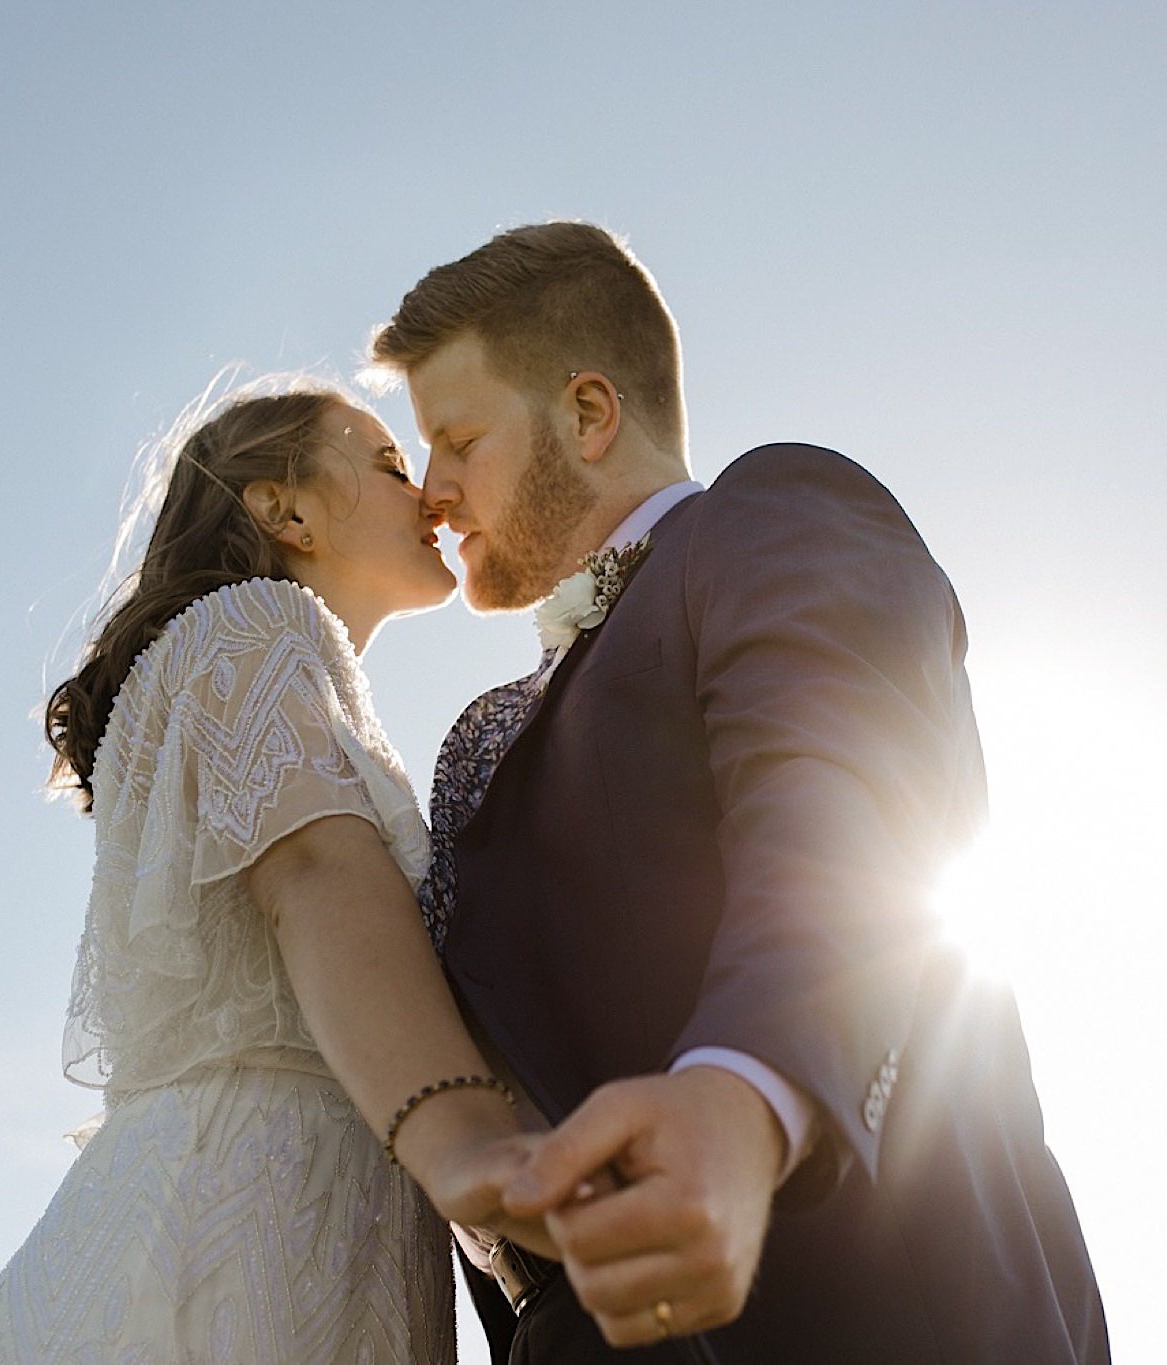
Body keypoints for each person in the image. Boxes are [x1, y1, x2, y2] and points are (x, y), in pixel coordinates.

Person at [370, 222, 1110, 1362]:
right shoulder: (481, 738)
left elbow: (848, 818)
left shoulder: (766, 518)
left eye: (457, 439)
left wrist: (744, 1092)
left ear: (585, 413)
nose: (432, 492)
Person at [0, 385, 552, 1364]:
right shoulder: (254, 627)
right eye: (392, 468)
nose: (430, 500)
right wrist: (477, 1150)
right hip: (255, 1220)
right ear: (286, 511)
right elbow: (315, 870)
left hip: (295, 1211)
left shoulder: (232, 665)